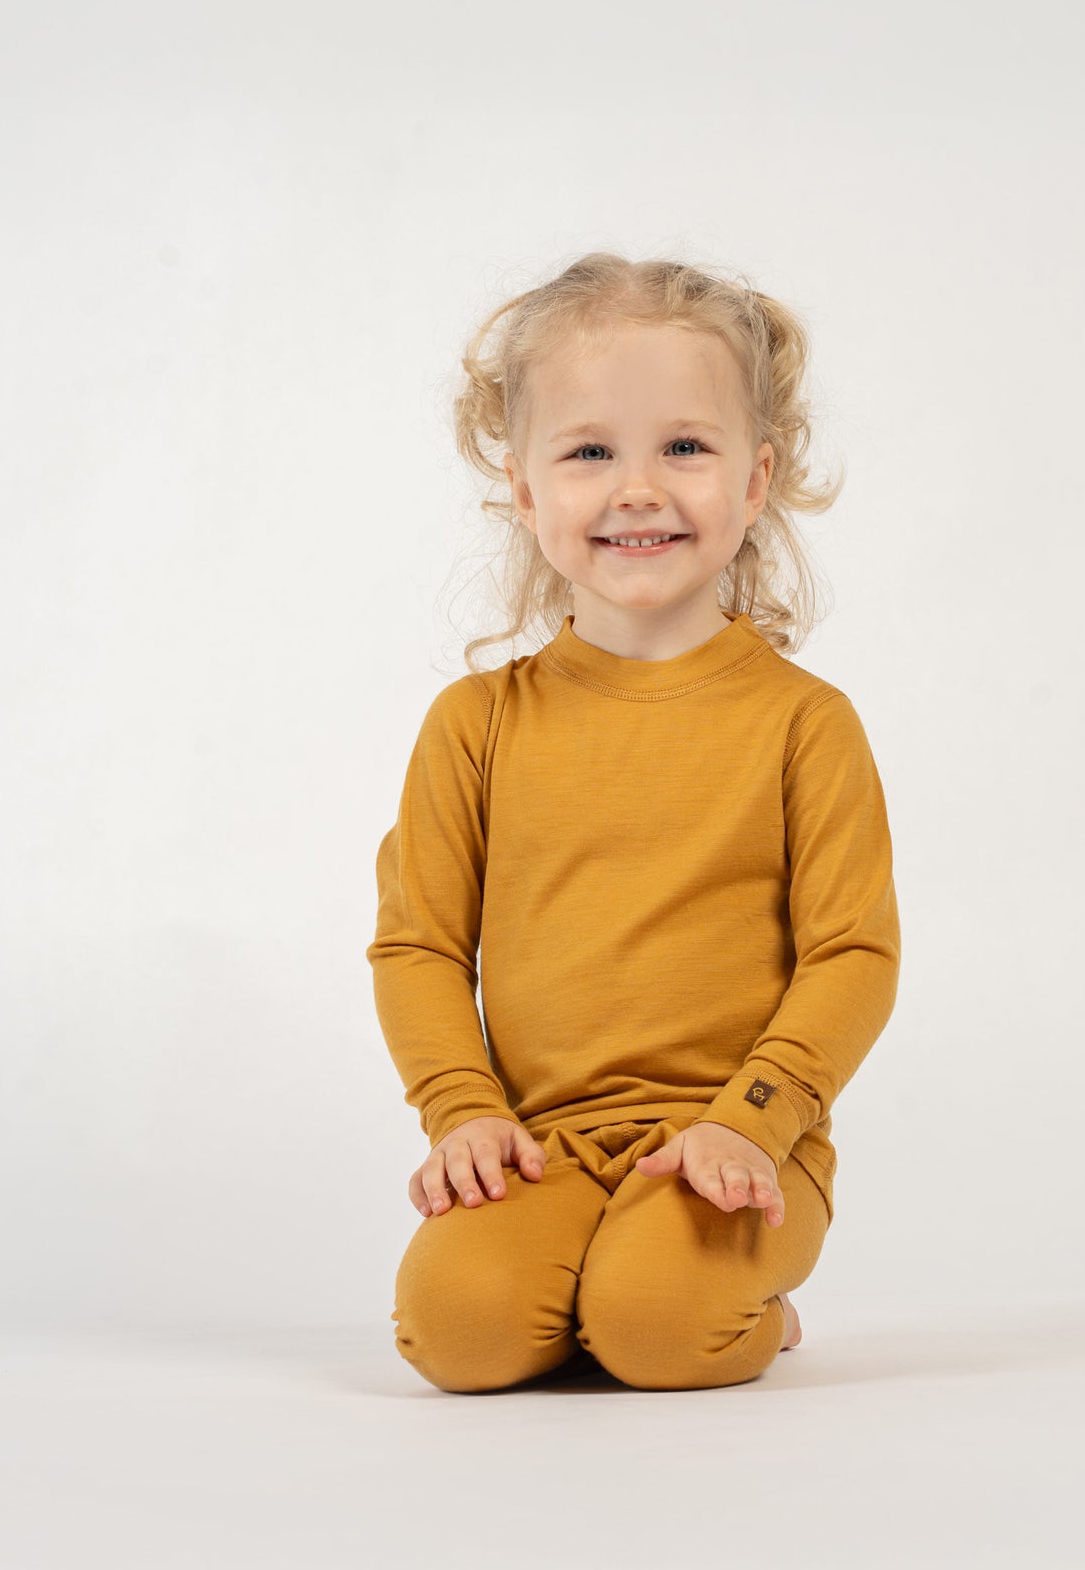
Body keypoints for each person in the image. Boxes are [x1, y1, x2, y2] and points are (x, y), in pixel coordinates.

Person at [367, 252, 901, 1393]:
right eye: (590, 450)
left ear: (755, 483)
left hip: (733, 1149)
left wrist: (754, 1123)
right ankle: (582, 1275)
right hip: (539, 1148)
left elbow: (853, 955)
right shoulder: (476, 725)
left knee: (657, 1331)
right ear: (522, 486)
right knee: (457, 1334)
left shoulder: (806, 725)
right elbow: (416, 944)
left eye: (686, 447)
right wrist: (461, 1114)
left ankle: (720, 1295)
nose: (638, 487)